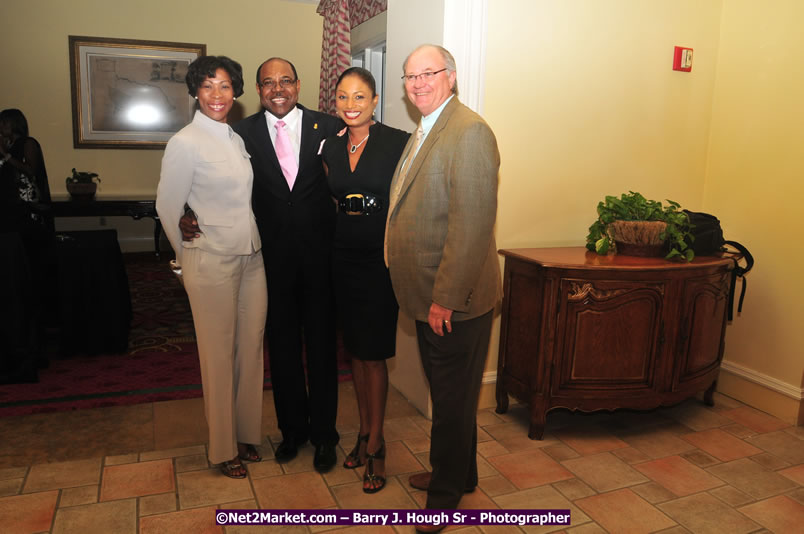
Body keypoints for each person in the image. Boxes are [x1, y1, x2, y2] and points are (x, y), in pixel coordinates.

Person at [180, 57, 343, 472]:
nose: (277, 89)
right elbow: (216, 184)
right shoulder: (240, 134)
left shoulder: (330, 127)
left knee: (322, 350)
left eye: (285, 80)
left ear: (299, 85)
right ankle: (293, 433)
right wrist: (189, 212)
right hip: (268, 262)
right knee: (282, 348)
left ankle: (325, 436)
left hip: (322, 260)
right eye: (268, 83)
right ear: (256, 91)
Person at [385, 45, 501, 530]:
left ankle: (445, 493)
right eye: (410, 76)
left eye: (428, 73)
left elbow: (471, 226)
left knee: (451, 402)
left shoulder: (469, 132)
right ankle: (462, 472)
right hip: (427, 296)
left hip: (453, 302)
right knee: (454, 394)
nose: (417, 83)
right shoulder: (425, 129)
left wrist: (445, 299)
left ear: (451, 77)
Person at [156, 55, 267, 479]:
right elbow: (167, 206)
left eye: (224, 86)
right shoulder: (185, 141)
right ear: (195, 92)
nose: (217, 95)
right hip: (211, 261)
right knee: (218, 356)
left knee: (250, 349)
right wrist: (185, 261)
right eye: (207, 86)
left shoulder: (235, 138)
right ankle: (222, 449)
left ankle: (244, 433)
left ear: (235, 92)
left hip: (251, 256)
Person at [320, 67, 409, 493]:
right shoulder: (330, 147)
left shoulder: (398, 142)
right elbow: (329, 199)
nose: (350, 105)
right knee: (354, 351)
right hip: (343, 256)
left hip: (380, 259)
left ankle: (376, 443)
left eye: (359, 97)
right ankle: (362, 431)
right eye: (342, 97)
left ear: (375, 101)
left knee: (373, 354)